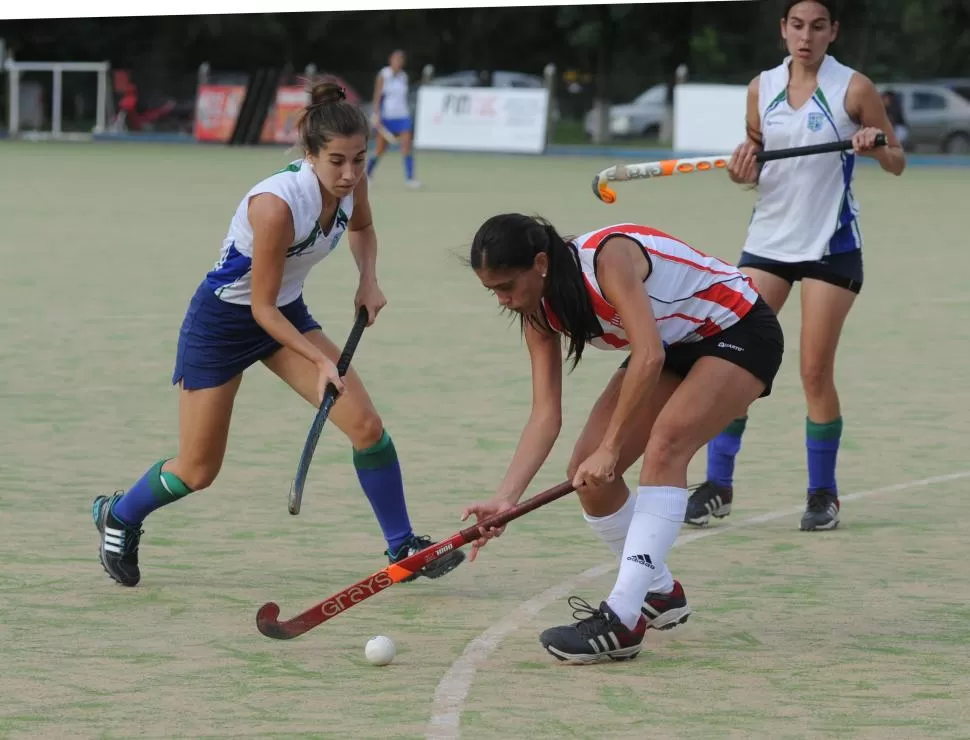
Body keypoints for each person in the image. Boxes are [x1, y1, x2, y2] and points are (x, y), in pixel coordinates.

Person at [92, 81, 464, 588]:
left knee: (367, 427)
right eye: (337, 161)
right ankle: (120, 513)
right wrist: (320, 360)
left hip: (286, 310)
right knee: (197, 470)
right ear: (310, 155)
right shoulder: (276, 206)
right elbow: (259, 309)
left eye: (358, 160)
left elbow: (361, 229)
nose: (350, 173)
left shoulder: (353, 185)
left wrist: (368, 279)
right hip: (224, 323)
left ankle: (403, 547)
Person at [460, 215, 784, 663]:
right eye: (492, 290)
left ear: (540, 263)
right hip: (675, 343)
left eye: (507, 285)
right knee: (586, 475)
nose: (504, 300)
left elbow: (648, 354)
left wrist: (612, 448)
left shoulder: (607, 258)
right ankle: (659, 592)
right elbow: (545, 414)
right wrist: (506, 499)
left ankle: (623, 618)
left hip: (738, 329)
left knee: (666, 446)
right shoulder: (536, 312)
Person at [686, 0, 906, 532]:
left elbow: (897, 159)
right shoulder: (762, 87)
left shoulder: (853, 88)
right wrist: (742, 170)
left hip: (831, 246)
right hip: (768, 242)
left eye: (818, 27)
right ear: (783, 30)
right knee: (733, 362)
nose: (806, 37)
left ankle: (822, 495)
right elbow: (757, 160)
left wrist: (873, 145)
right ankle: (718, 486)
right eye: (797, 26)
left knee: (812, 371)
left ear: (833, 32)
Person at [366, 50, 420, 189]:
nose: (398, 63)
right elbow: (378, 95)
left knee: (407, 146)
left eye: (401, 60)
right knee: (380, 149)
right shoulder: (384, 74)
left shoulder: (404, 76)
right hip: (387, 117)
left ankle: (410, 178)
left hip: (402, 116)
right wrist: (376, 114)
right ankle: (367, 175)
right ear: (391, 60)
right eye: (396, 60)